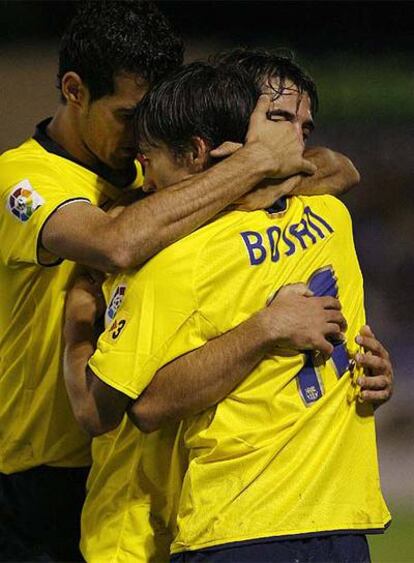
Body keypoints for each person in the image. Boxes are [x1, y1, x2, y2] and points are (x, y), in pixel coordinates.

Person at [0, 1, 363, 560]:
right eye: (127, 115)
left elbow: (338, 168)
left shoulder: (155, 171)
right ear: (74, 90)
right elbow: (113, 242)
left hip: (150, 460)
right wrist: (248, 169)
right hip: (40, 468)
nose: (141, 134)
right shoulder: (22, 178)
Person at [64, 57, 392, 562]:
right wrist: (265, 328)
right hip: (186, 528)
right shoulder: (168, 257)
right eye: (279, 122)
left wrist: (369, 367)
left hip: (339, 517)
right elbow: (127, 408)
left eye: (303, 127)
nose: (295, 141)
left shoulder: (328, 217)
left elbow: (342, 168)